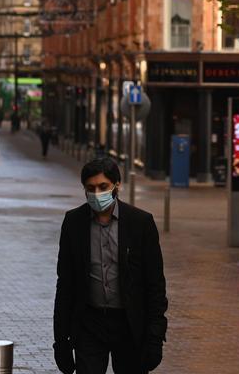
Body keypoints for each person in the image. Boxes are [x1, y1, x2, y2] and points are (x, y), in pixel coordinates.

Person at [53, 157, 167, 374]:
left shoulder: (140, 223)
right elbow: (65, 285)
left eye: (103, 186)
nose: (97, 193)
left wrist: (155, 336)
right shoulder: (73, 223)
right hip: (89, 324)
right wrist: (61, 341)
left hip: (129, 324)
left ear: (117, 185)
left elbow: (155, 284)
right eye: (91, 188)